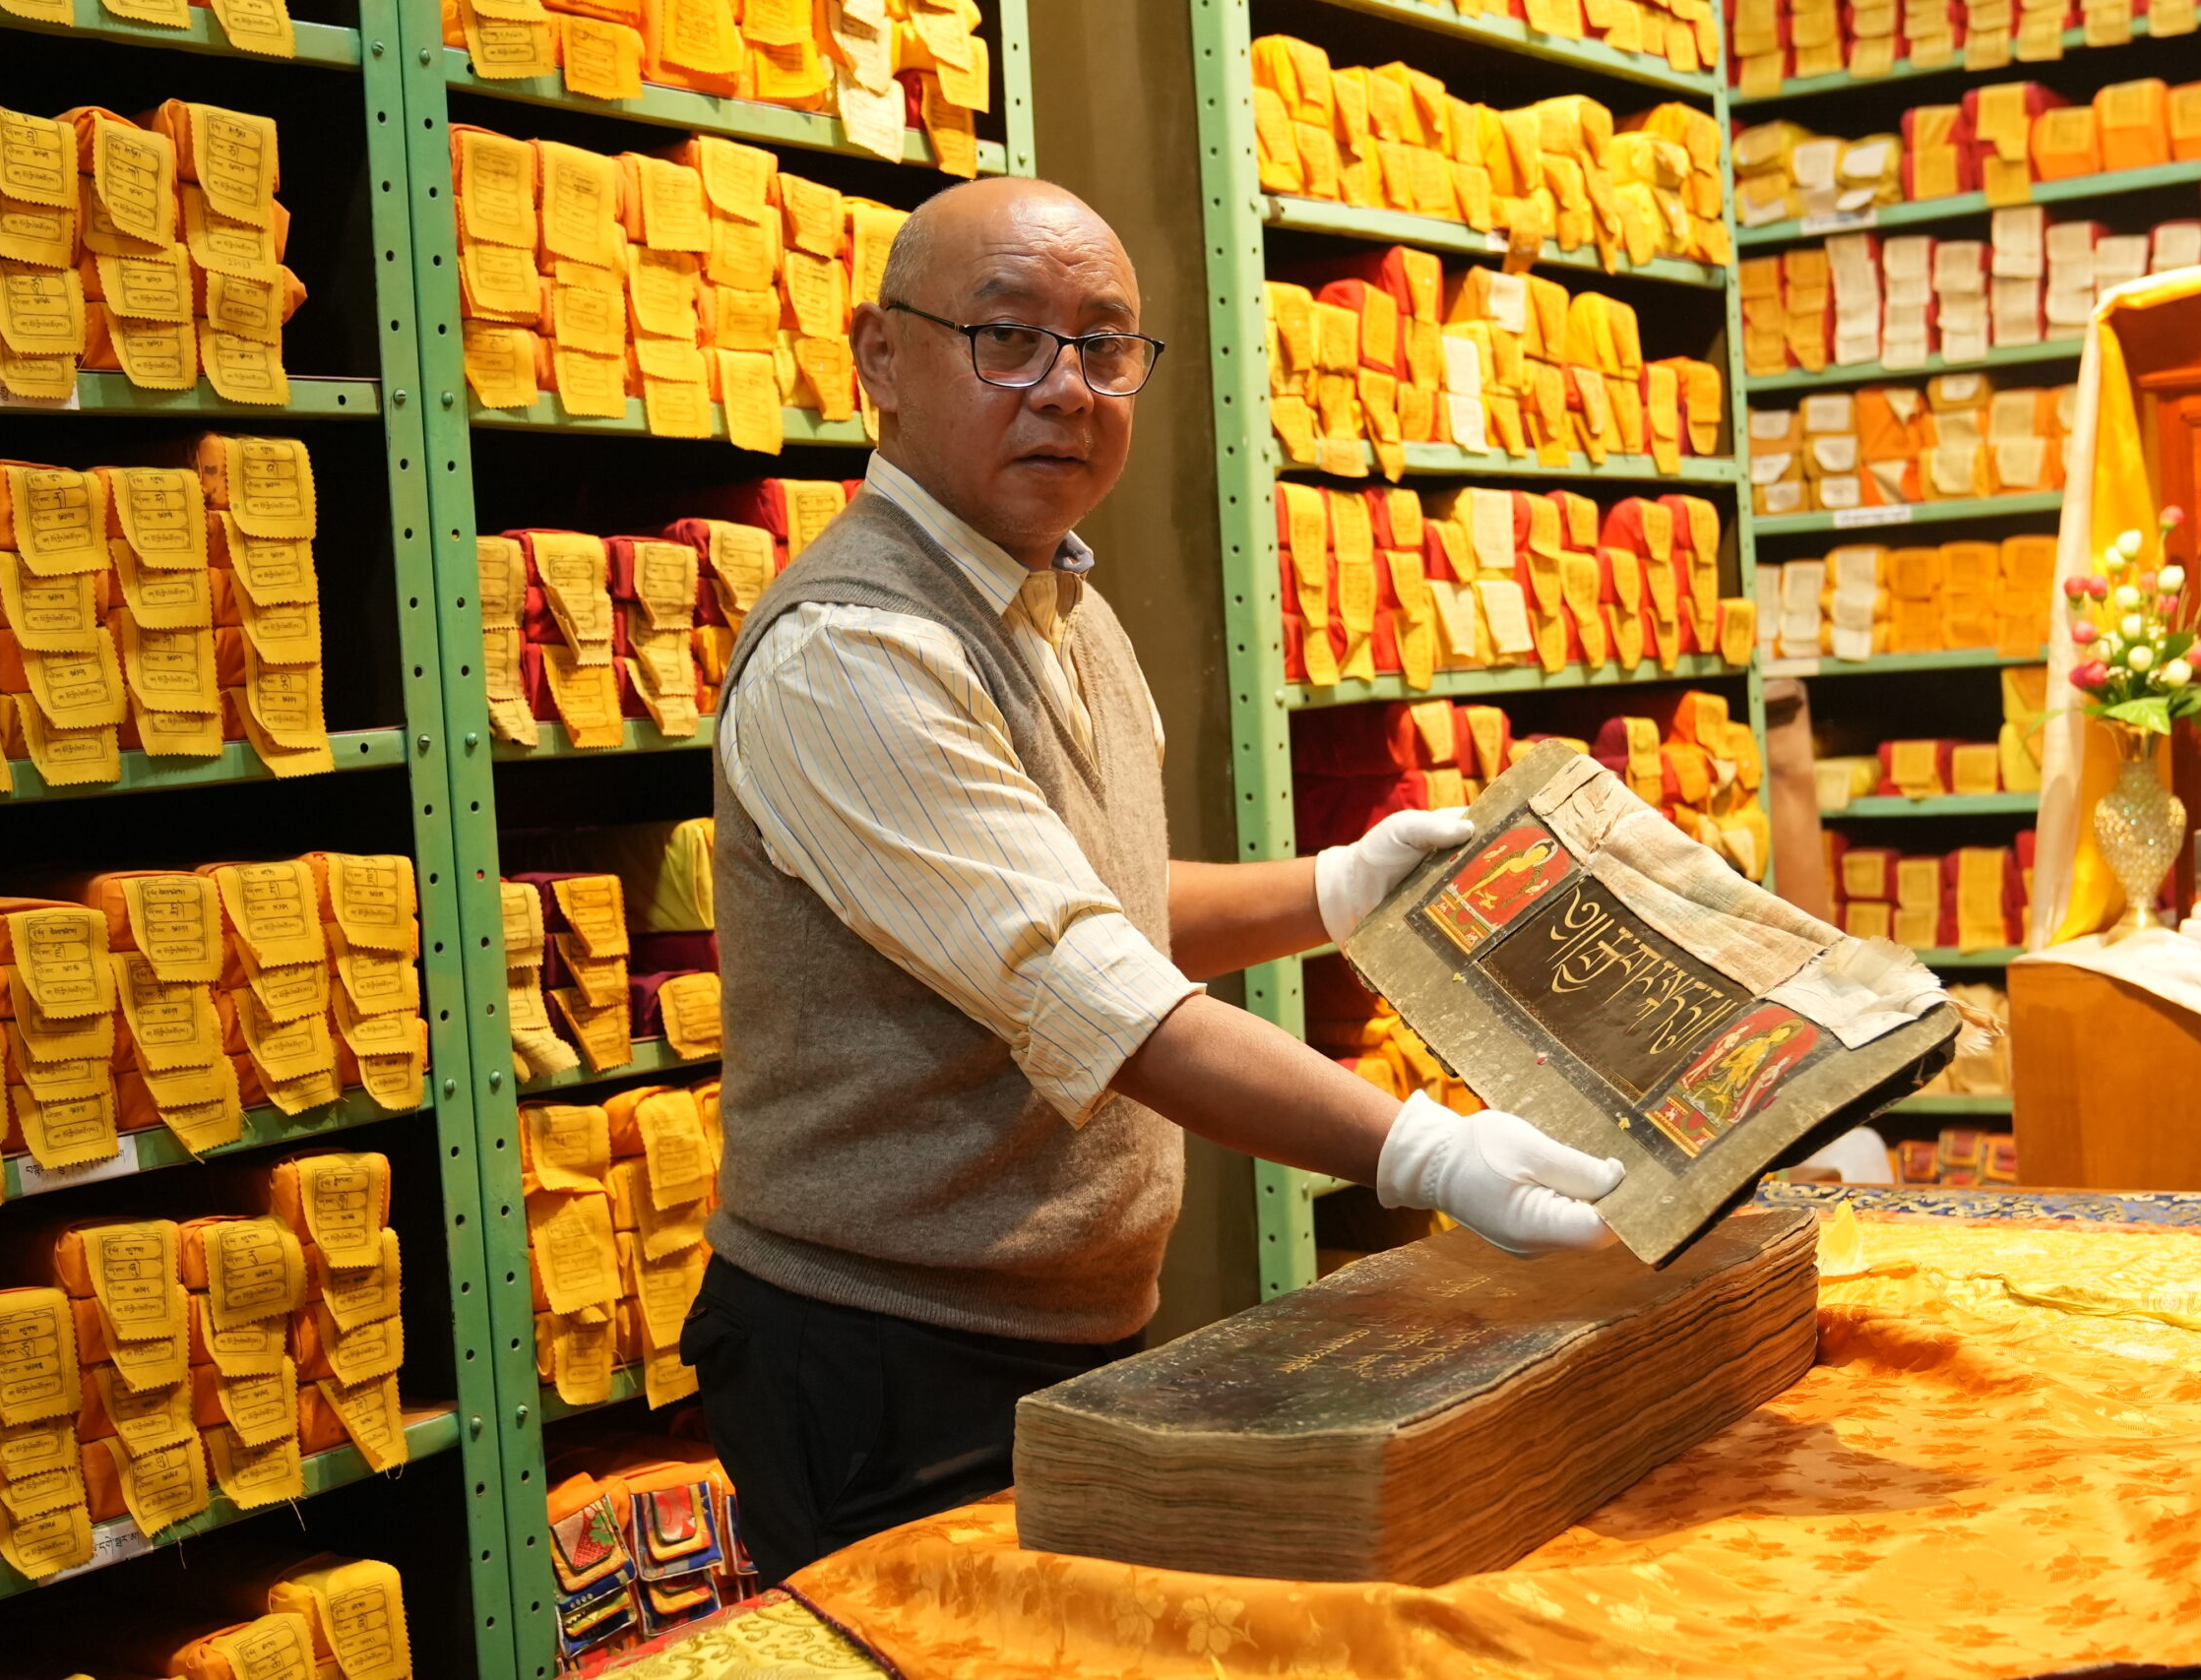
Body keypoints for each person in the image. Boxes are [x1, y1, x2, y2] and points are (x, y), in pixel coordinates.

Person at [684, 177, 1628, 1583]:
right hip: (883, 1354)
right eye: (1008, 337)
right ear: (882, 358)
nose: (1066, 389)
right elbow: (1097, 989)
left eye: (1106, 346)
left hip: (1061, 1331)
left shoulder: (1066, 604)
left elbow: (1094, 896)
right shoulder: (854, 654)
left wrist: (1334, 889)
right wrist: (1421, 1152)